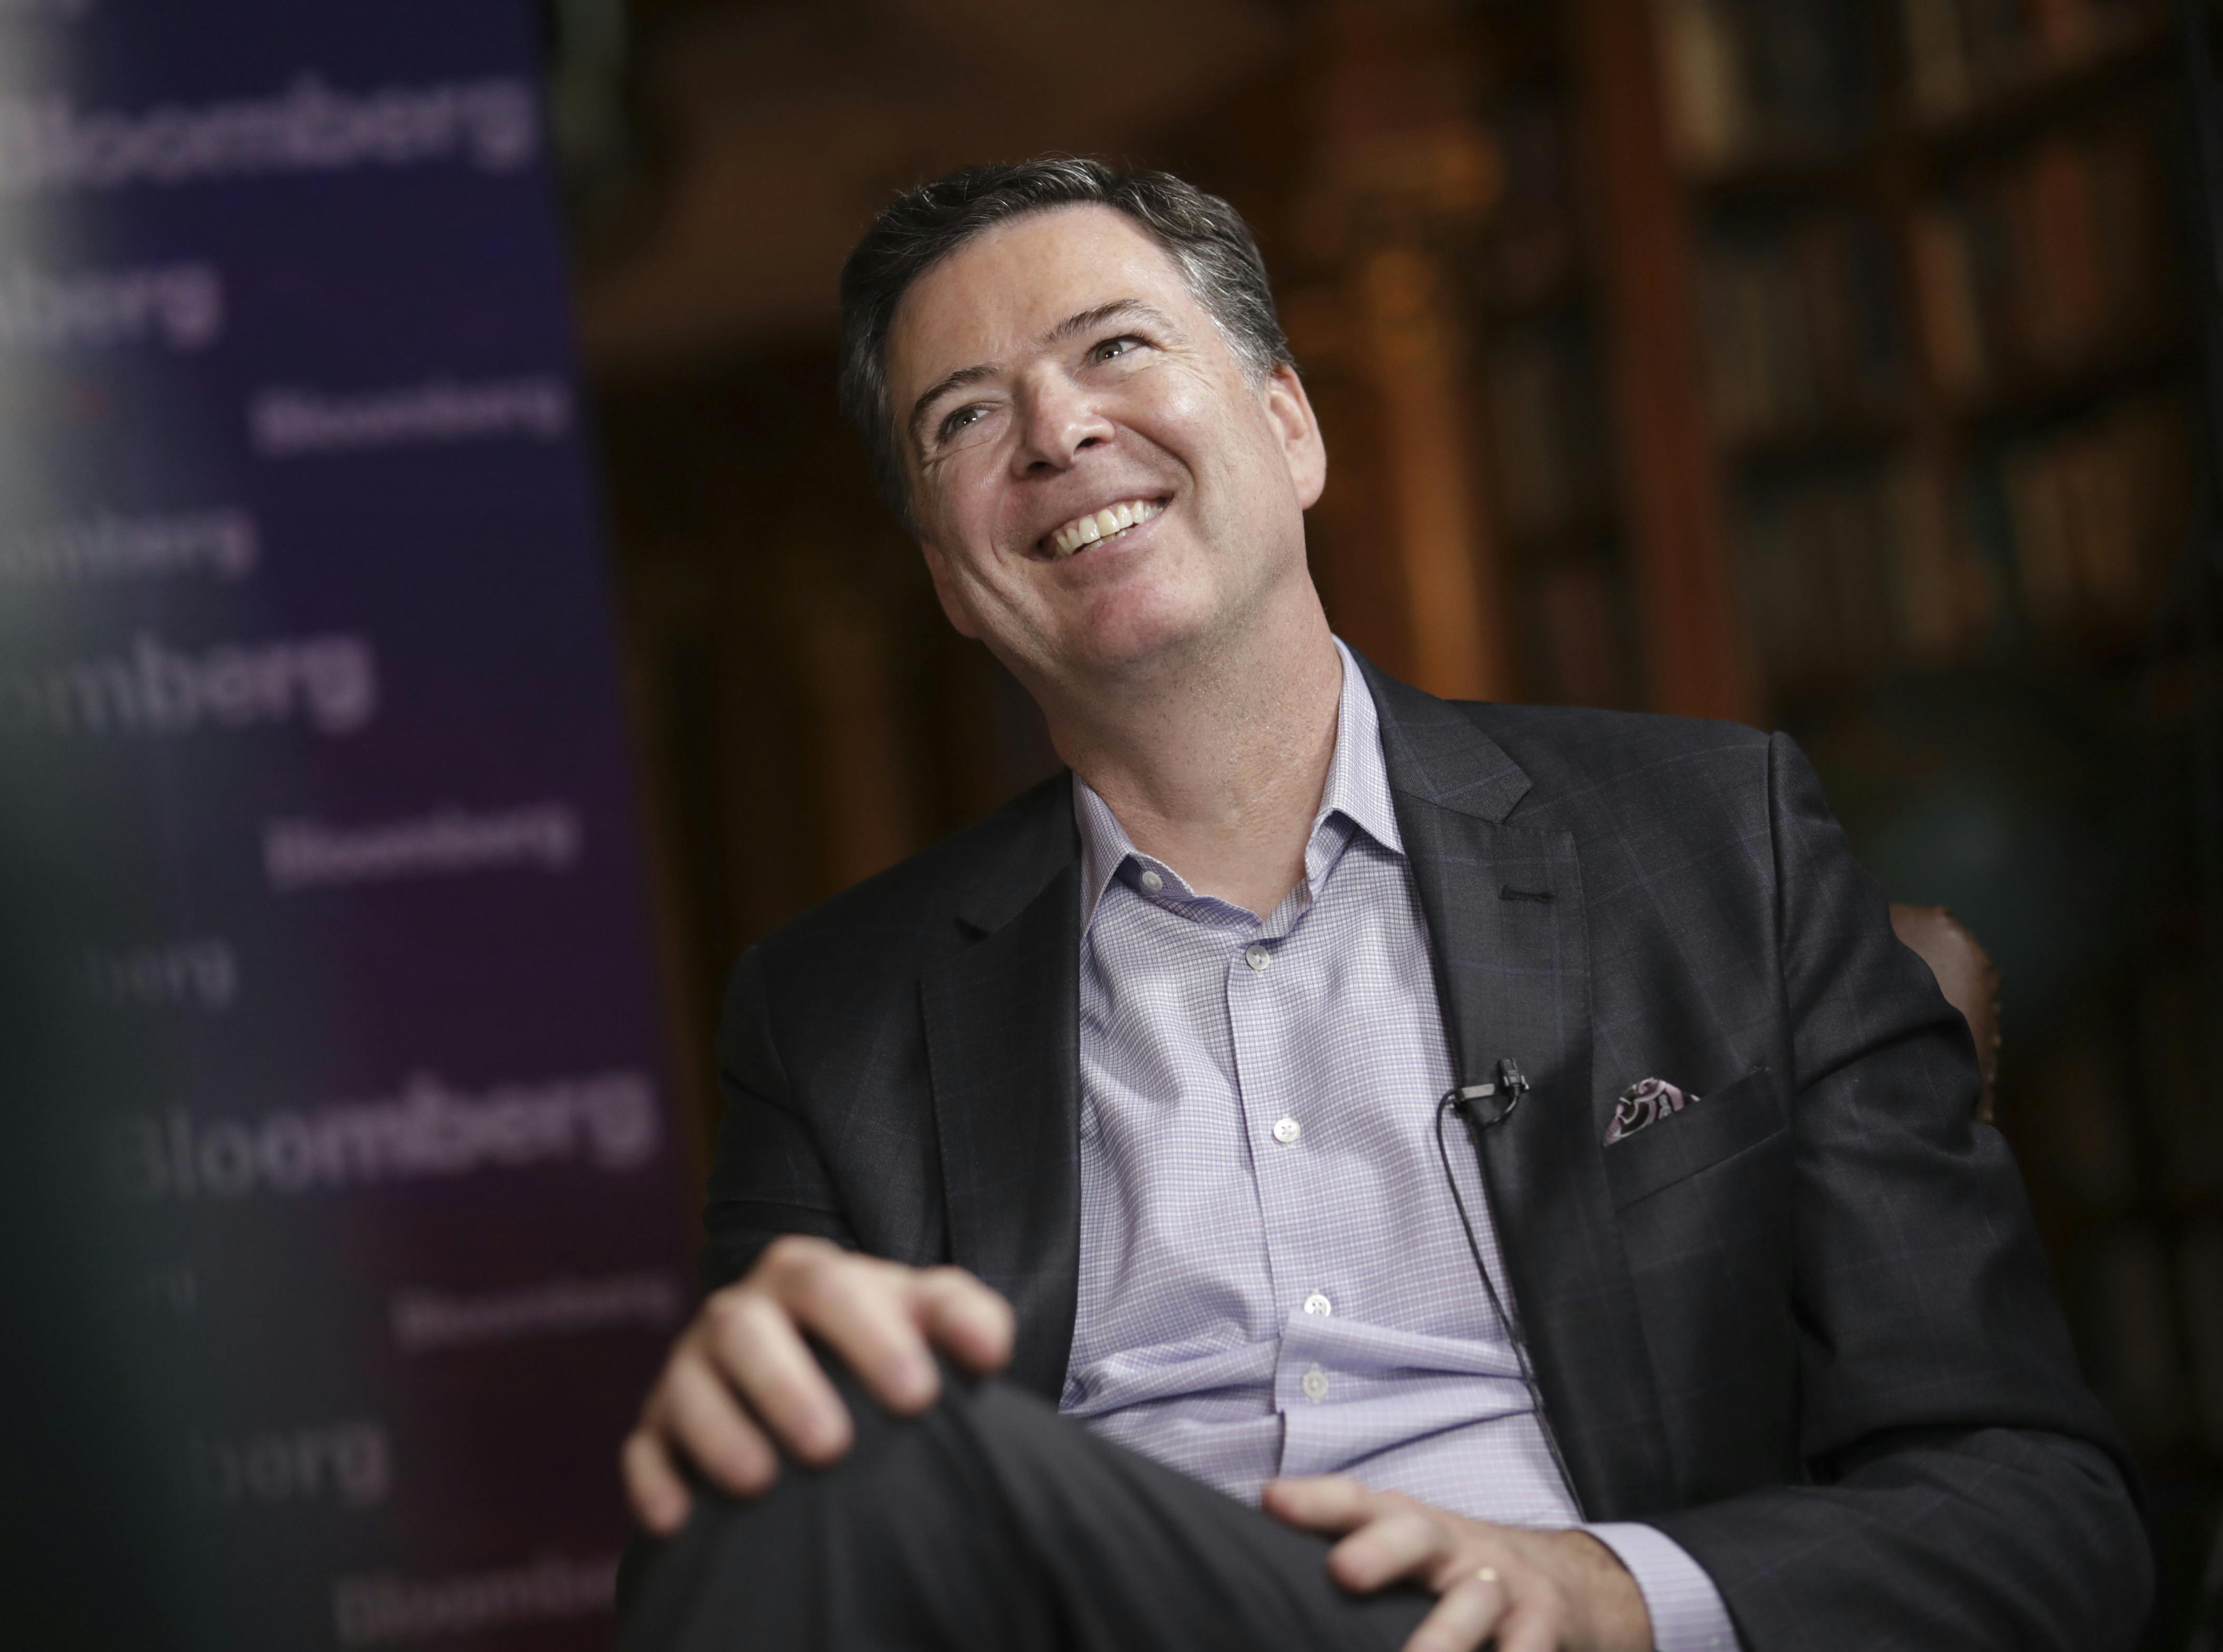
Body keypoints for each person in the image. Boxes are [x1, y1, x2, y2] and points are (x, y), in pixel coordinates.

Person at [614, 159, 2152, 1651]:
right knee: (788, 1448)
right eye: (963, 416)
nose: (1056, 431)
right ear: (949, 577)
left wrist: (1608, 1596)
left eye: (1116, 348)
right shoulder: (831, 1020)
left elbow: (2037, 1515)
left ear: (1289, 426)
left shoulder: (1711, 846)